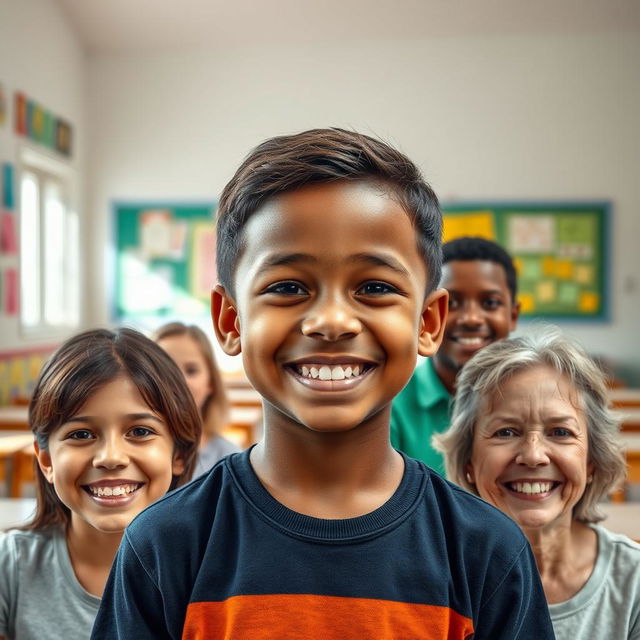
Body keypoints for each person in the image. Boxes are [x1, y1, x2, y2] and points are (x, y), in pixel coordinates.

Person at [92, 129, 554, 639]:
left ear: (427, 321)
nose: (331, 321)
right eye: (287, 287)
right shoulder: (166, 544)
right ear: (229, 320)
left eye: (375, 287)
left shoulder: (486, 551)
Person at [434, 328, 639, 639]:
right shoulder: (432, 580)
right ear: (468, 461)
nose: (533, 456)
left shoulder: (633, 582)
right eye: (506, 432)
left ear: (592, 460)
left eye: (560, 432)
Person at [0, 328, 201, 640]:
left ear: (179, 453)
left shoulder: (213, 572)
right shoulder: (11, 567)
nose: (110, 457)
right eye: (81, 434)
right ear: (47, 460)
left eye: (139, 431)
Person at [391, 236, 520, 474]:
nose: (471, 318)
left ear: (513, 316)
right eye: (452, 303)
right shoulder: (391, 403)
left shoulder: (530, 399)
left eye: (490, 303)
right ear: (428, 316)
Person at [153, 322, 240, 475]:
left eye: (191, 371)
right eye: (165, 370)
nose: (178, 380)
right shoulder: (128, 454)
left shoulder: (229, 462)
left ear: (211, 382)